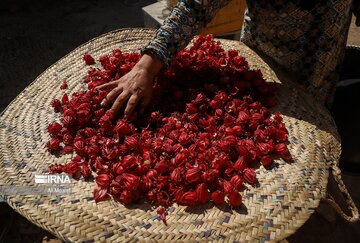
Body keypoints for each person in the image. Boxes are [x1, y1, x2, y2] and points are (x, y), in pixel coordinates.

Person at [98, 0, 360, 118]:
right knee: (268, 126)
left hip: (324, 59)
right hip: (267, 57)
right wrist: (147, 65)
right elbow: (195, 7)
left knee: (317, 121)